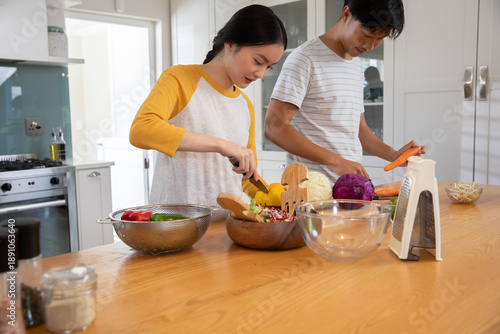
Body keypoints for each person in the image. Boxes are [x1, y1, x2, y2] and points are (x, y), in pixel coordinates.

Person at [129, 5, 287, 216]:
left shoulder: (244, 105)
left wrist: (275, 197)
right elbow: (141, 130)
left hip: (227, 227)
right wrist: (222, 145)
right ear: (230, 44)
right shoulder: (180, 79)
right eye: (258, 61)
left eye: (269, 67)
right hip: (177, 225)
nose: (261, 73)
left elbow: (246, 179)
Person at [264, 0, 427, 181]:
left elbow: (359, 128)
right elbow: (274, 128)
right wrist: (335, 161)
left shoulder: (355, 64)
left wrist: (394, 155)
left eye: (380, 38)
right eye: (367, 34)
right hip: (309, 190)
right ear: (346, 14)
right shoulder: (305, 59)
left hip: (347, 189)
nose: (371, 46)